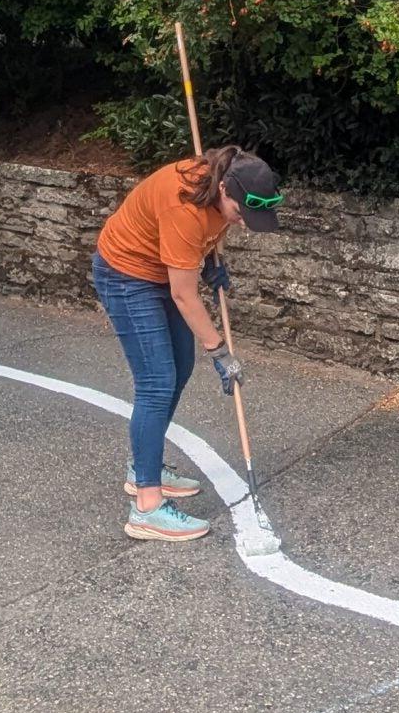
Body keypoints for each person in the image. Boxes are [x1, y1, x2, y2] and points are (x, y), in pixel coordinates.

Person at [91, 146, 285, 541]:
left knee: (178, 369)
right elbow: (184, 294)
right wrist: (220, 352)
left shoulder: (223, 184)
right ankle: (146, 507)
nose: (245, 224)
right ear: (226, 191)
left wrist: (213, 261)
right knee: (156, 382)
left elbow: (209, 233)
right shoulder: (185, 204)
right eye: (242, 213)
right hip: (128, 275)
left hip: (164, 269)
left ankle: (142, 466)